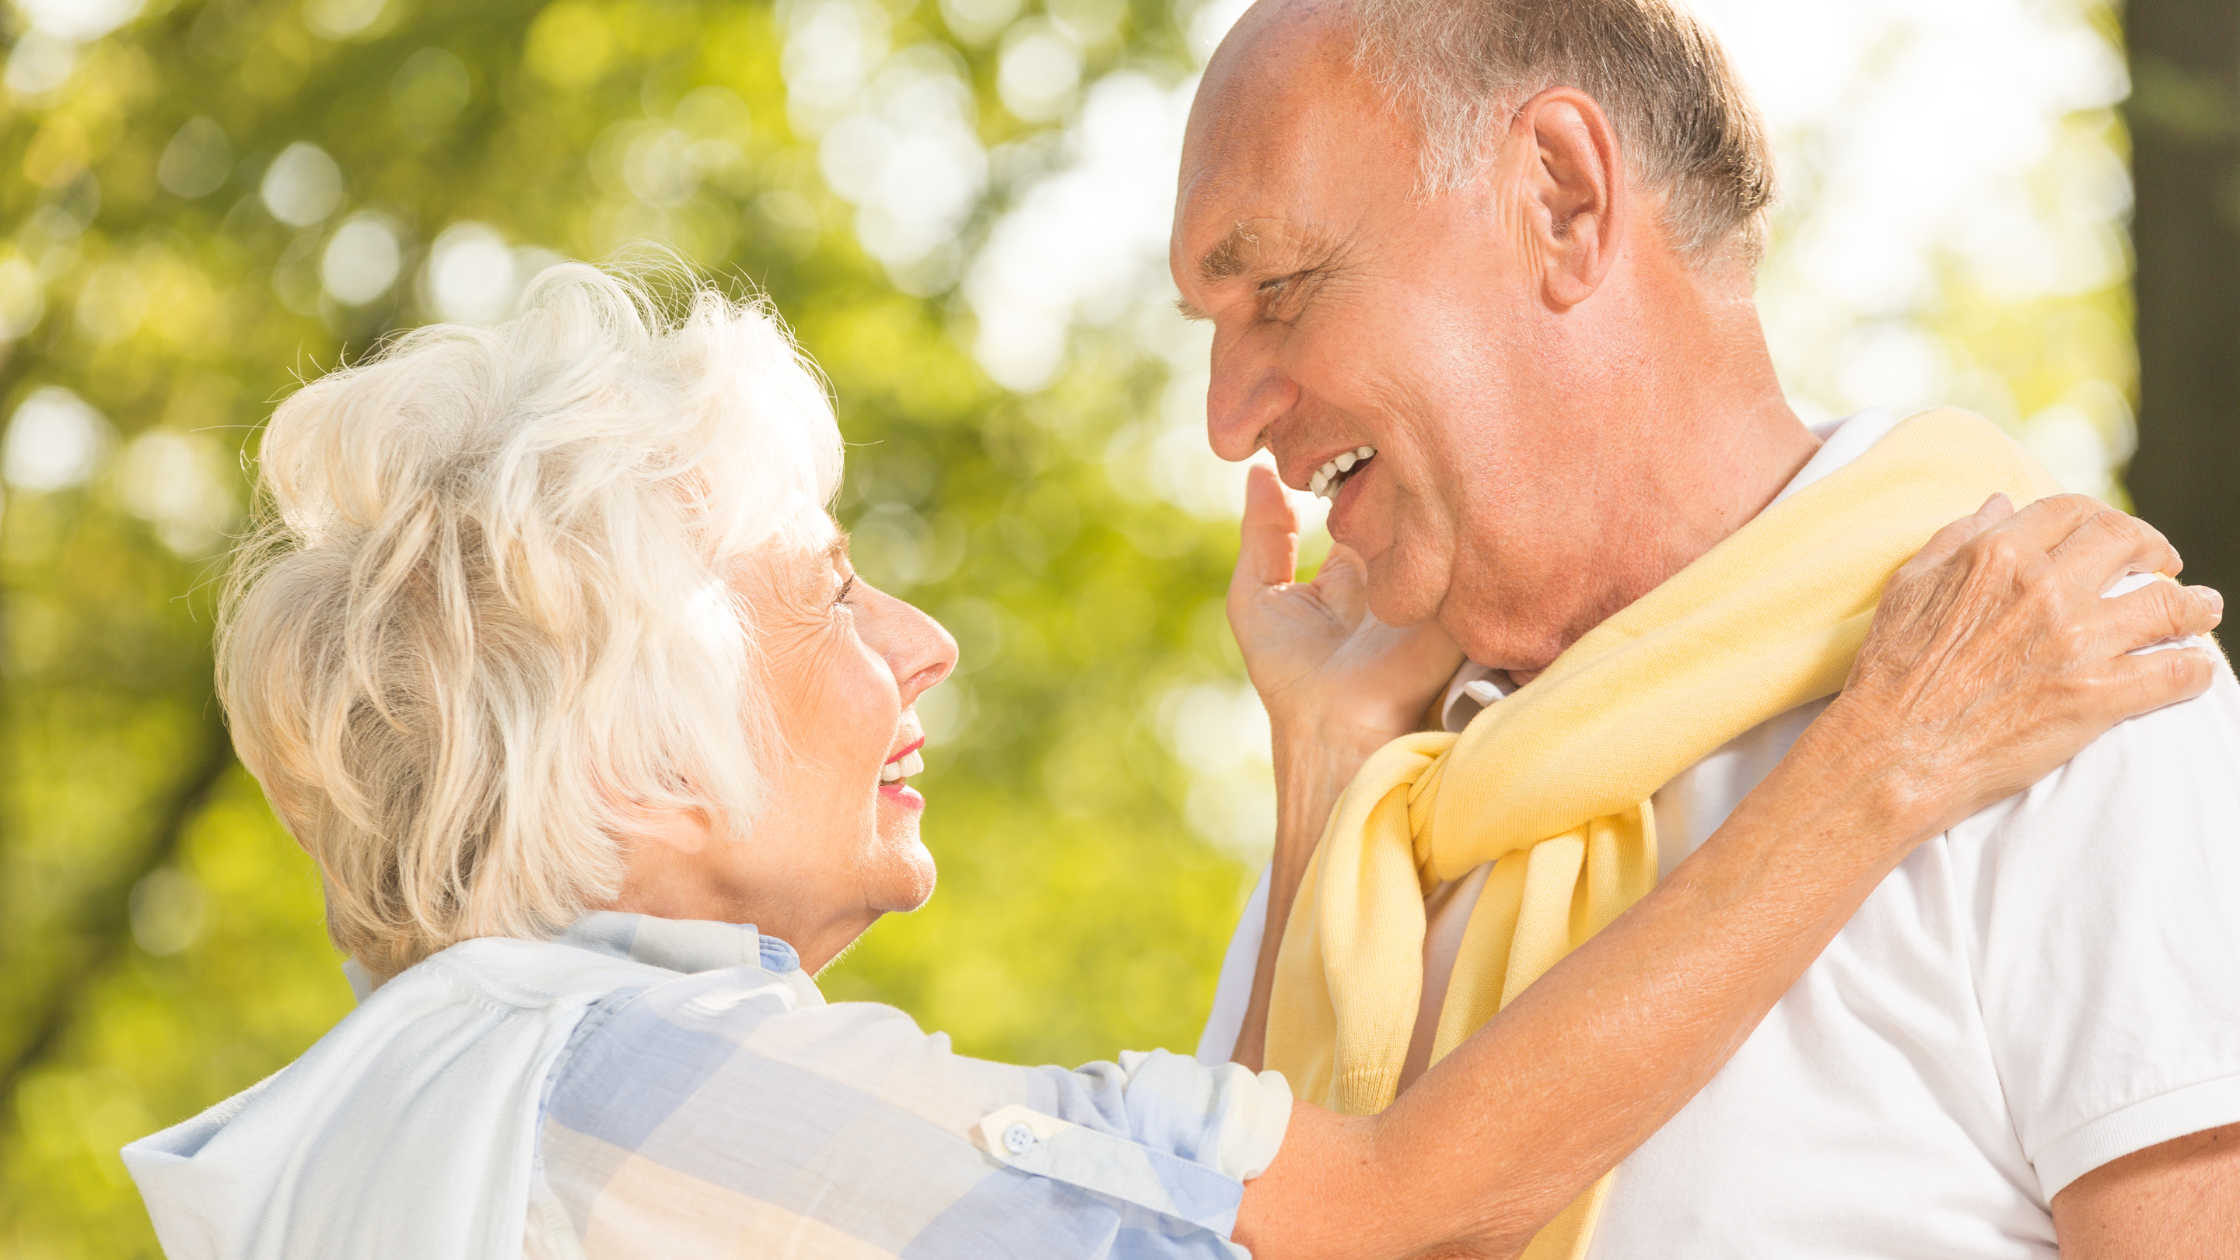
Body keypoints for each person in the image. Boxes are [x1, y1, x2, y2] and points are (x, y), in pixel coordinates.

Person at [118, 267, 2214, 1260]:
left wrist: (1321, 781)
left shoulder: (411, 1112)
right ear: (639, 749)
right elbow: (1384, 1205)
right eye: (831, 590)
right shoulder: (649, 1097)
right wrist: (1883, 767)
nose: (917, 642)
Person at [1172, 0, 2240, 1255]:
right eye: (1212, 323)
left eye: (1280, 289)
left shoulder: (2067, 687)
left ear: (1561, 200)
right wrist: (1321, 776)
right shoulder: (1370, 824)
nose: (1227, 419)